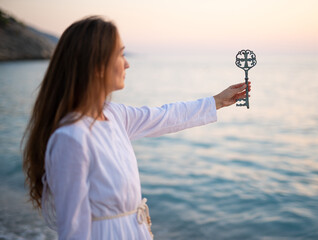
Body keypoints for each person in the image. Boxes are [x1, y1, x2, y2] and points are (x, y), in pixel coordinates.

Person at [22, 16, 251, 240]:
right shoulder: (71, 138)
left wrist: (218, 101)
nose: (127, 63)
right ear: (97, 65)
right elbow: (73, 230)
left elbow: (165, 116)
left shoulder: (114, 115)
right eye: (120, 55)